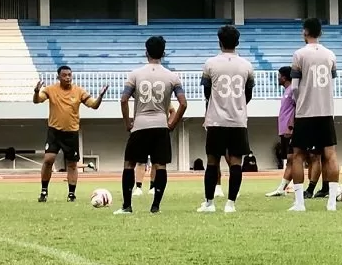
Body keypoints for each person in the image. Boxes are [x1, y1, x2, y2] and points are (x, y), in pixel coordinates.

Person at [114, 36, 187, 215]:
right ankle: (155, 206)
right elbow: (183, 103)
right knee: (160, 165)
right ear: (163, 53)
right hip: (161, 126)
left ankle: (127, 206)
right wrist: (172, 124)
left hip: (140, 125)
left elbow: (124, 99)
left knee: (129, 164)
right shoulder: (172, 76)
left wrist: (127, 122)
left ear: (146, 52)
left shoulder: (135, 74)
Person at [197, 24, 254, 214]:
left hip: (216, 120)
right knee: (236, 162)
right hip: (238, 120)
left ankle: (210, 203)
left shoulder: (210, 64)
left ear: (219, 41)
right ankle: (231, 204)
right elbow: (248, 94)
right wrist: (237, 104)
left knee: (212, 161)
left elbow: (206, 91)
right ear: (237, 42)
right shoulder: (246, 65)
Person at [287, 18, 340, 212]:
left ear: (305, 32)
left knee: (298, 155)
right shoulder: (330, 54)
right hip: (326, 110)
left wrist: (299, 102)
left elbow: (294, 87)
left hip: (305, 111)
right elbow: (331, 80)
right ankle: (332, 202)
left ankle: (300, 202)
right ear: (321, 33)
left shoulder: (299, 54)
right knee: (330, 154)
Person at [33, 65, 108, 203]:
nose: (67, 77)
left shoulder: (78, 91)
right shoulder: (50, 89)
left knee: (72, 164)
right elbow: (37, 100)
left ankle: (71, 194)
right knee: (48, 159)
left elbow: (93, 105)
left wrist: (100, 97)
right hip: (54, 131)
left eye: (69, 75)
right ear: (58, 77)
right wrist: (36, 92)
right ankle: (44, 191)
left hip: (71, 132)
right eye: (64, 75)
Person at [266, 66, 295, 197]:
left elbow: (298, 107)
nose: (278, 78)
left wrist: (291, 125)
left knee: (293, 159)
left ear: (284, 77)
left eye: (279, 76)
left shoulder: (293, 91)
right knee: (290, 159)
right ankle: (284, 187)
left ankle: (285, 187)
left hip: (290, 130)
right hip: (284, 131)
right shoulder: (287, 91)